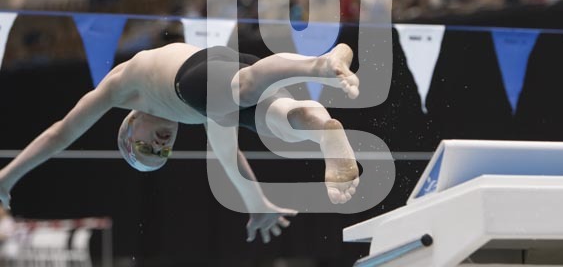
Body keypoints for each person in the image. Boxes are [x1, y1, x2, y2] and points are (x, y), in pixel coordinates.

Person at [0, 43, 361, 244]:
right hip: (225, 76)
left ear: (130, 131)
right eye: (162, 154)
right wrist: (257, 203)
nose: (161, 146)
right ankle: (324, 131)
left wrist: (6, 178)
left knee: (244, 88)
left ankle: (321, 64)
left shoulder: (123, 88)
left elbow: (60, 134)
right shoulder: (198, 113)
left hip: (197, 74)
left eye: (146, 149)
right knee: (284, 124)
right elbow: (228, 155)